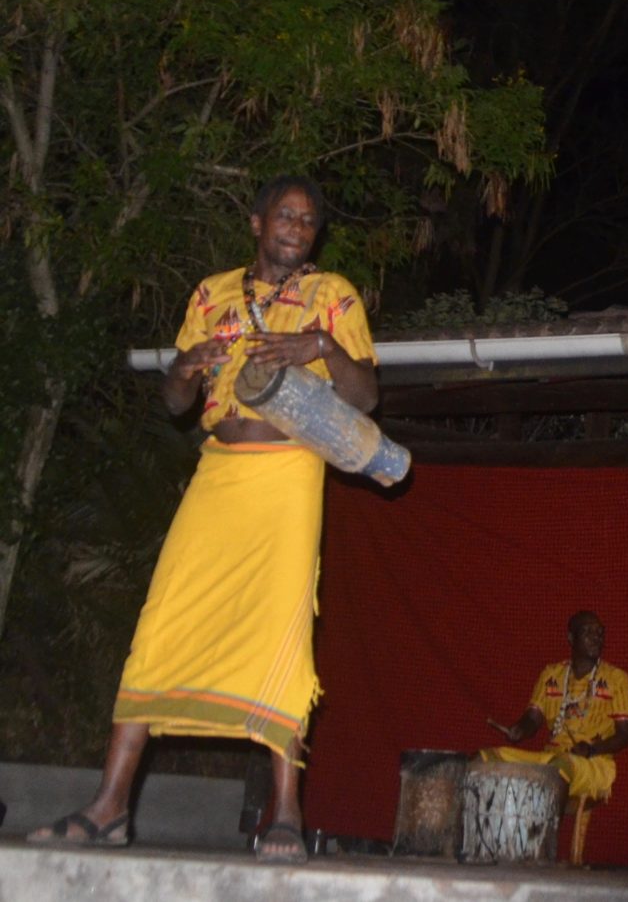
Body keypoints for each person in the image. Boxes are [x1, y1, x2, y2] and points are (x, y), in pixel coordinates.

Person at [28, 175, 377, 863]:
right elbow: (175, 404)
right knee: (161, 619)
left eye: (308, 221)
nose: (296, 228)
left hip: (289, 476)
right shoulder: (211, 294)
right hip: (218, 471)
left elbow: (365, 396)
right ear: (256, 222)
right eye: (285, 215)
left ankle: (285, 812)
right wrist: (184, 367)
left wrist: (322, 349)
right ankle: (109, 808)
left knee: (281, 629)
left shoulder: (331, 296)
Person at [481, 610, 628, 807]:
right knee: (486, 759)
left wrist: (591, 749)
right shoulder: (551, 674)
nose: (596, 638)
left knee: (556, 770)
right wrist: (520, 729)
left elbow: (626, 735)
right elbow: (533, 719)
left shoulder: (617, 678)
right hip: (551, 757)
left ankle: (541, 833)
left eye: (599, 633)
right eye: (588, 632)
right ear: (571, 638)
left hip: (593, 764)